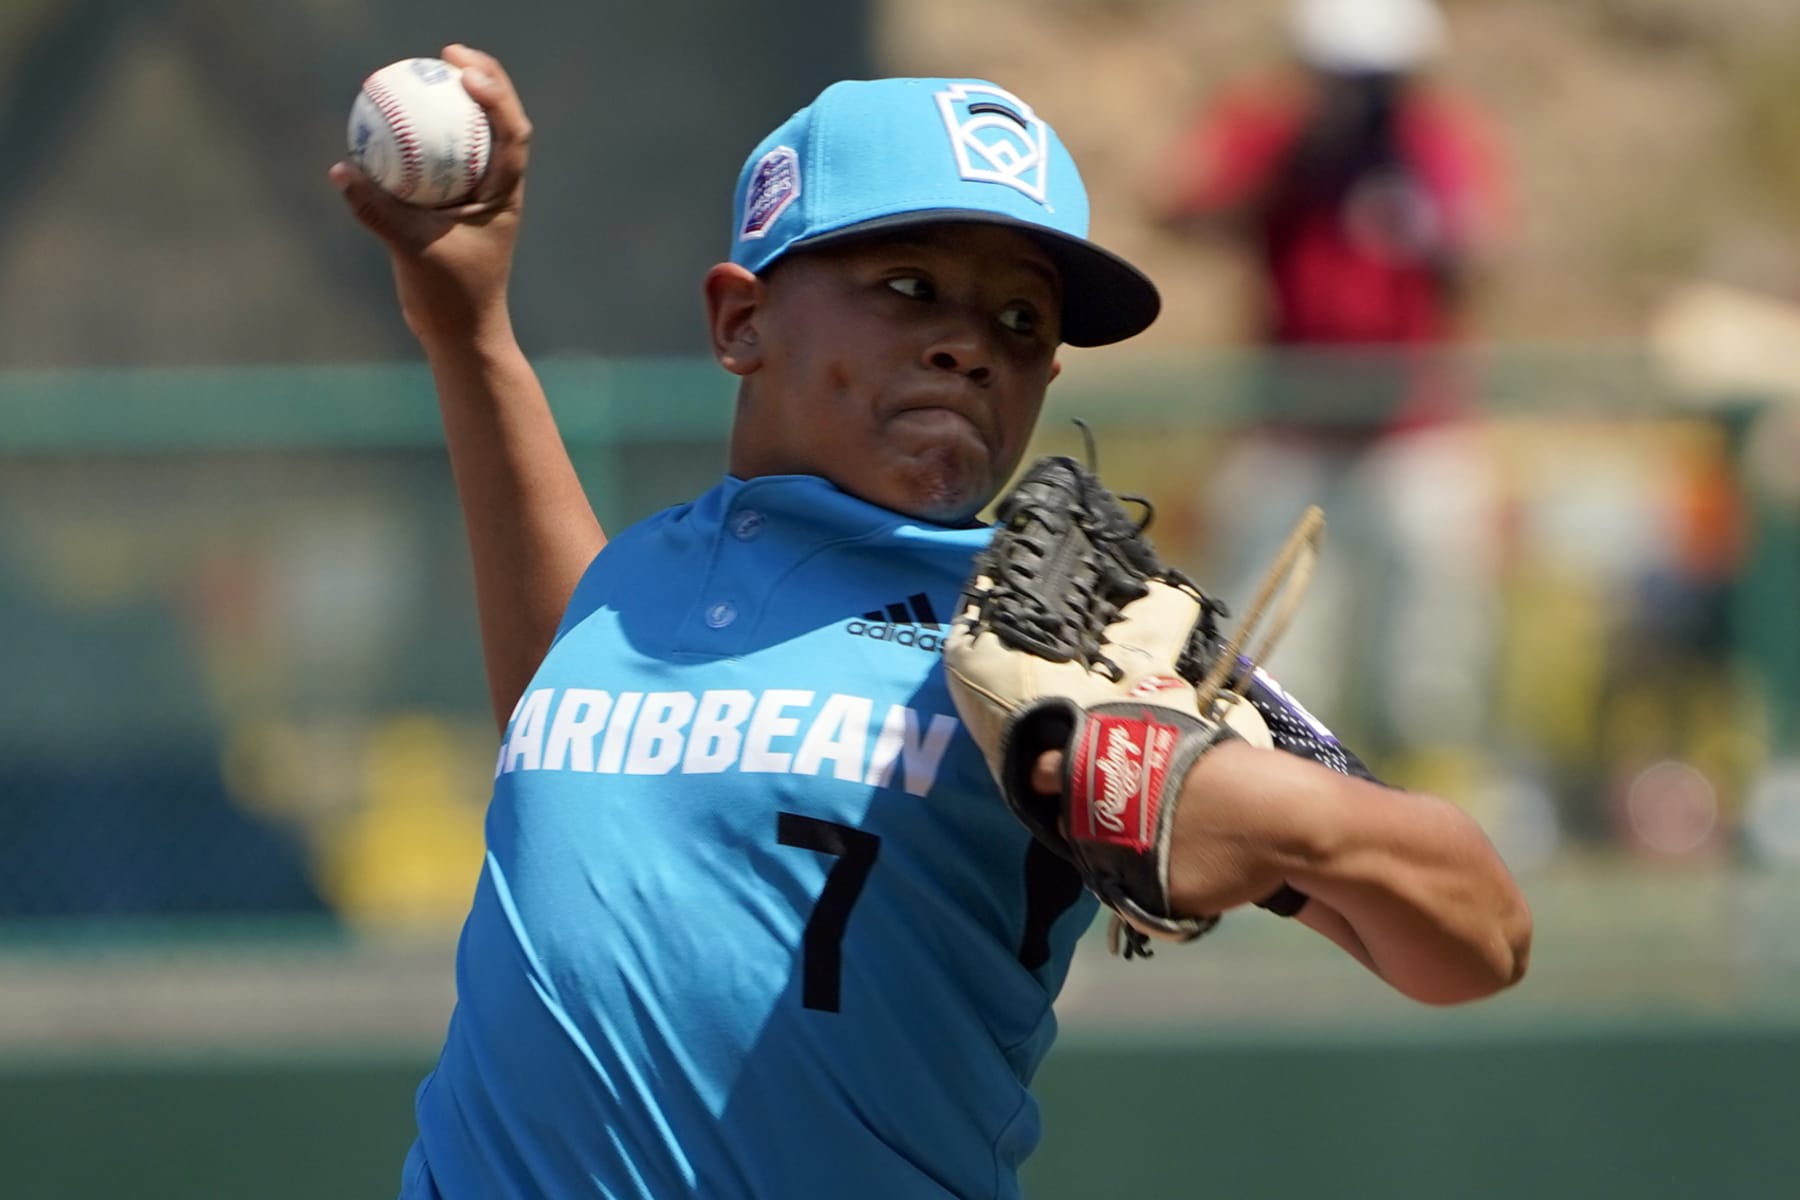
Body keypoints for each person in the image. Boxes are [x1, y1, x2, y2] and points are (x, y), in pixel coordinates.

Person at [331, 44, 1531, 1200]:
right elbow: (570, 709)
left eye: (1022, 322)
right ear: (741, 322)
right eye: (909, 288)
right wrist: (469, 329)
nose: (970, 347)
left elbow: (1481, 936)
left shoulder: (1054, 653)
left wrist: (1262, 807)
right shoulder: (635, 587)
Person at [1151, 0, 1511, 766]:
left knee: (1429, 673)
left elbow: (1483, 252)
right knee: (1269, 659)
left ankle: (1428, 817)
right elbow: (1177, 207)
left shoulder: (1431, 147)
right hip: (1292, 433)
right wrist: (1284, 173)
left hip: (1413, 436)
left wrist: (1423, 210)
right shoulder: (1279, 140)